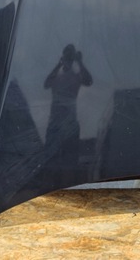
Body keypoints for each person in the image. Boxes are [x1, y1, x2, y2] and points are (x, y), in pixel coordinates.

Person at [42, 44, 93, 181]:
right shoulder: (57, 76)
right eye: (67, 57)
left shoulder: (75, 76)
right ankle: (49, 185)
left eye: (70, 58)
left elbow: (89, 81)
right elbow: (46, 84)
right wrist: (58, 65)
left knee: (69, 162)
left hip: (70, 124)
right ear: (63, 58)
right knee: (50, 161)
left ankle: (66, 184)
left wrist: (80, 62)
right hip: (55, 124)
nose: (68, 60)